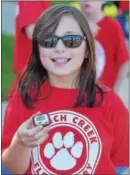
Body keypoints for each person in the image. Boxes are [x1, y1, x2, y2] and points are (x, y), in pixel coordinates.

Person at [2, 5, 128, 175]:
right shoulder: (21, 100)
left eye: (71, 41)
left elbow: (121, 163)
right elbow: (10, 169)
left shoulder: (111, 103)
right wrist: (21, 143)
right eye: (49, 41)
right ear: (38, 49)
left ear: (86, 49)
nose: (59, 48)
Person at [78, 1, 129, 92]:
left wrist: (115, 90)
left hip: (103, 93)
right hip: (78, 92)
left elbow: (124, 62)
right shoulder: (73, 26)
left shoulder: (113, 26)